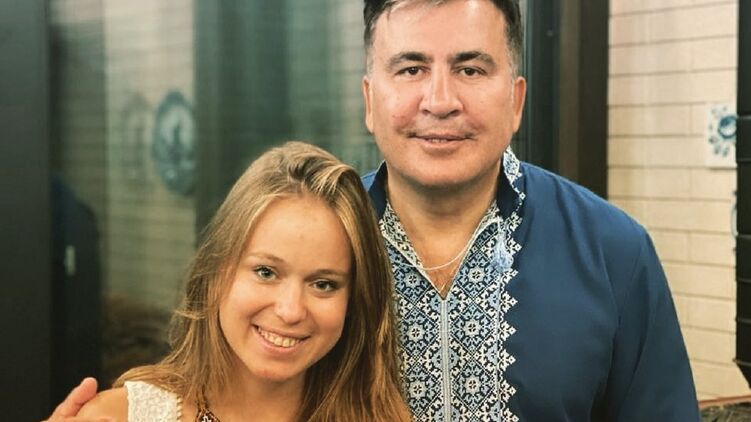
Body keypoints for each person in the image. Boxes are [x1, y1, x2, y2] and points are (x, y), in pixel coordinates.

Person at [50, 0, 701, 420]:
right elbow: (218, 386)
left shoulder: (613, 252)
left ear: (517, 99)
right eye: (410, 68)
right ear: (369, 99)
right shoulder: (317, 241)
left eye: (471, 69)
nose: (439, 100)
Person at [48, 142, 411, 421]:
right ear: (217, 271)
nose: (290, 311)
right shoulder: (121, 417)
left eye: (324, 284)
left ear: (353, 302)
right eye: (266, 272)